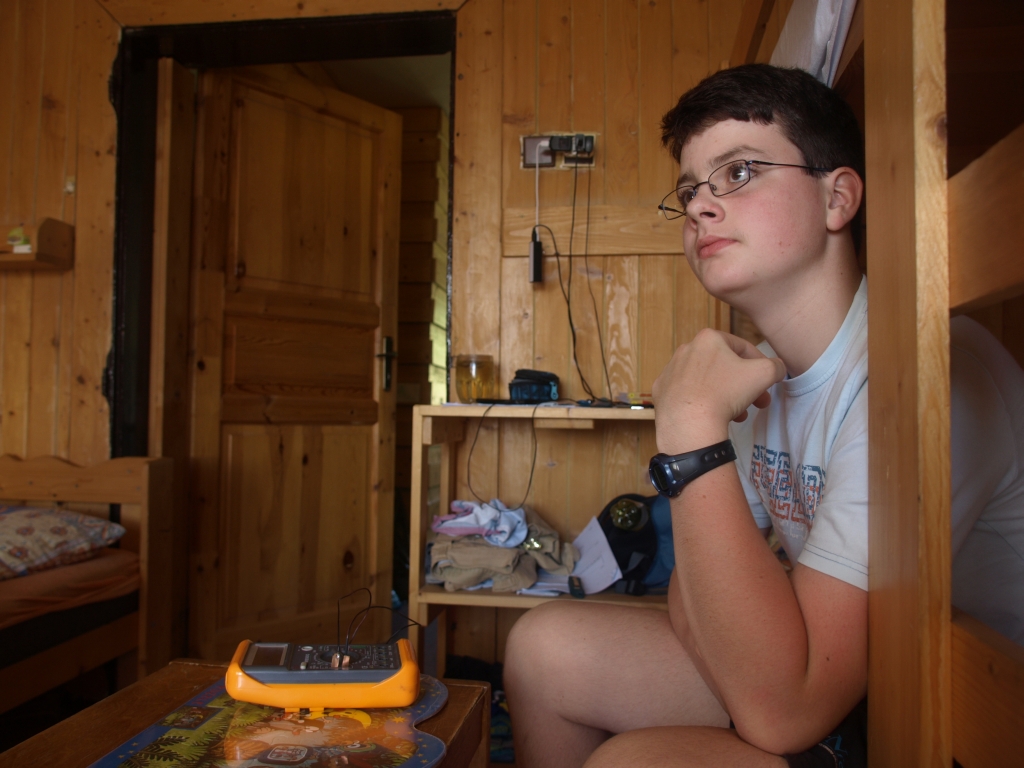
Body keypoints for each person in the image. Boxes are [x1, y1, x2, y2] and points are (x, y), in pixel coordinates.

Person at [502, 63, 1024, 768]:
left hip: (949, 719)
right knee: (542, 647)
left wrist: (689, 429)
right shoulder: (756, 379)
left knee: (629, 762)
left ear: (837, 198)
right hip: (841, 677)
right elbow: (695, 592)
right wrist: (757, 655)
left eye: (739, 172)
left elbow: (785, 712)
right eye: (690, 189)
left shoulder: (924, 373)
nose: (700, 206)